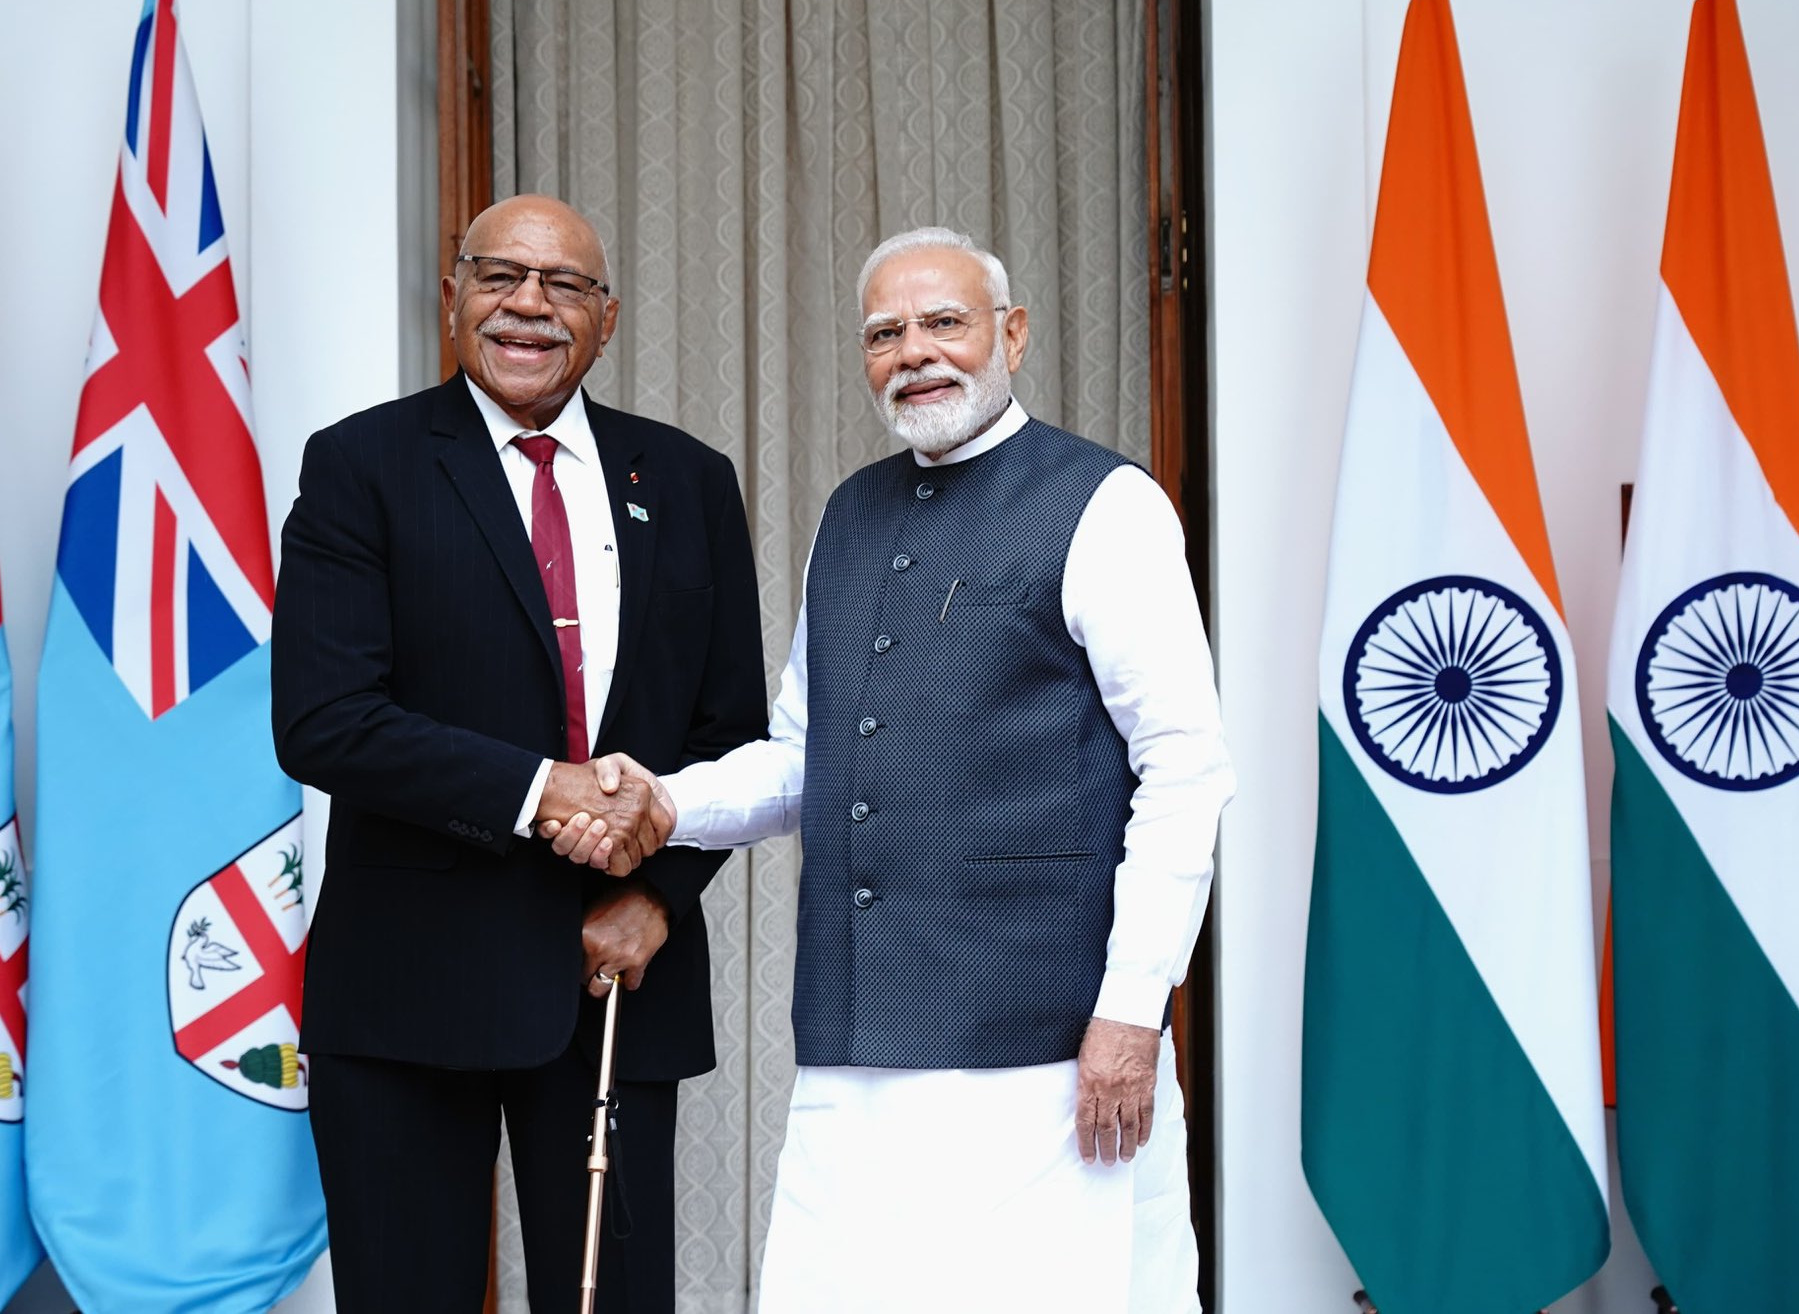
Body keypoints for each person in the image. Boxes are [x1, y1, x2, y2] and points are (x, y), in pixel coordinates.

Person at [554, 225, 1234, 1311]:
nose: (914, 351)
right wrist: (665, 799)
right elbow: (800, 759)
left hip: (1044, 1056)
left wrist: (1130, 1008)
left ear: (1010, 334)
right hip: (854, 1052)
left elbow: (1185, 769)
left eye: (943, 322)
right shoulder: (850, 512)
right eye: (884, 332)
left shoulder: (1107, 505)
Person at [271, 194, 767, 1312]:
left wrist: (661, 898)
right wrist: (543, 792)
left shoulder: (685, 480)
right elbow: (322, 718)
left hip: (614, 978)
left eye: (564, 287)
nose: (528, 307)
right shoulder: (363, 465)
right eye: (499, 276)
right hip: (409, 987)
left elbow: (727, 737)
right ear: (452, 295)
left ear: (607, 319)